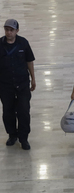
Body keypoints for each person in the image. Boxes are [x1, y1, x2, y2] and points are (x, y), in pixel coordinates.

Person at [0, 19, 35, 150]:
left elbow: (29, 61)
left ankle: (24, 138)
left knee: (24, 111)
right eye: (6, 30)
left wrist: (33, 78)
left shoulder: (23, 43)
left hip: (22, 84)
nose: (8, 32)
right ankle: (12, 135)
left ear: (17, 31)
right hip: (5, 85)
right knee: (8, 111)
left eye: (11, 30)